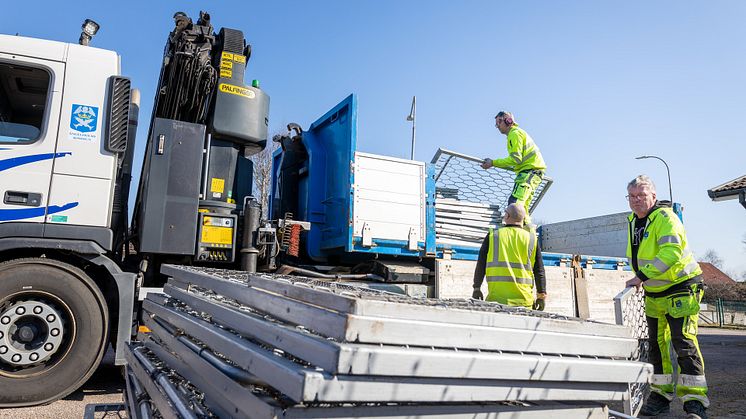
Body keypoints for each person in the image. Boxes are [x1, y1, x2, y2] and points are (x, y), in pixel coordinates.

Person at [624, 175, 709, 419]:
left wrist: (641, 276)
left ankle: (695, 402)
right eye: (632, 196)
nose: (636, 200)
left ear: (653, 196)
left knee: (683, 343)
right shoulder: (633, 221)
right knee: (656, 347)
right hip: (655, 292)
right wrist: (643, 279)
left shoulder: (665, 218)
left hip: (681, 287)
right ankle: (660, 396)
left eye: (641, 195)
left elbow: (671, 253)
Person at [472, 203, 546, 309]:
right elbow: (539, 270)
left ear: (506, 216)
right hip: (524, 303)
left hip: (496, 302)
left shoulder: (494, 236)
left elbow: (481, 264)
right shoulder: (532, 239)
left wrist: (476, 287)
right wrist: (541, 295)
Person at [480, 111, 546, 225]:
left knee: (514, 205)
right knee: (522, 208)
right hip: (532, 172)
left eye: (498, 123)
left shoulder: (514, 134)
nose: (497, 126)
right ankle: (528, 234)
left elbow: (515, 159)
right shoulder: (516, 134)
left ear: (508, 120)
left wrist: (493, 163)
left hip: (529, 172)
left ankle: (516, 234)